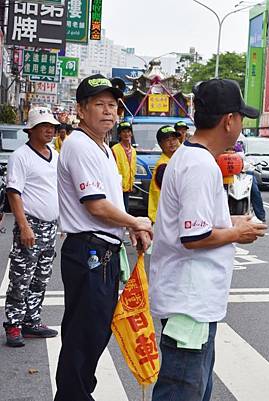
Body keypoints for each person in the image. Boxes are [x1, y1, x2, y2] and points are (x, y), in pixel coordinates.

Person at [150, 79, 268, 401]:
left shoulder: (194, 159)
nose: (242, 125)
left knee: (195, 386)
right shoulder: (200, 165)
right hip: (189, 302)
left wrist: (231, 221)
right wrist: (237, 233)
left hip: (194, 301)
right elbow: (194, 236)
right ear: (229, 120)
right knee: (183, 390)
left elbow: (193, 221)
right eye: (241, 118)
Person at [54, 74, 152, 401]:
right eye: (99, 104)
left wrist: (130, 228)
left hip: (104, 251)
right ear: (81, 110)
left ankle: (77, 394)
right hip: (88, 251)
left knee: (94, 333)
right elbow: (95, 205)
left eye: (113, 105)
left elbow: (111, 202)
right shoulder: (80, 145)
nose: (109, 111)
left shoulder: (105, 149)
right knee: (84, 335)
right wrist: (136, 222)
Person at [3, 107, 60, 347]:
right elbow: (14, 193)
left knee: (41, 277)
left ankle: (31, 321)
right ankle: (14, 324)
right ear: (31, 130)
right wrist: (23, 226)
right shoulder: (21, 156)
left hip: (51, 227)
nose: (50, 130)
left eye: (52, 126)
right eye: (44, 126)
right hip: (31, 225)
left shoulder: (55, 154)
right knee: (21, 276)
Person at [148, 125, 180, 224]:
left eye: (174, 139)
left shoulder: (174, 161)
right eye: (167, 140)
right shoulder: (164, 166)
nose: (172, 143)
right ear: (160, 144)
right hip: (163, 220)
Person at [111, 121, 137, 211]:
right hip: (117, 188)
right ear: (119, 134)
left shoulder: (133, 150)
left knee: (126, 210)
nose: (127, 134)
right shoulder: (114, 149)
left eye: (128, 131)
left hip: (127, 187)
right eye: (124, 132)